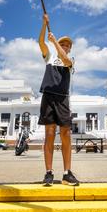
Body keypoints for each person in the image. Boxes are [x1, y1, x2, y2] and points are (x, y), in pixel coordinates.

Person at [38, 14, 79, 187]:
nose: (65, 46)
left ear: (69, 48)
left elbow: (66, 59)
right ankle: (48, 172)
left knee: (65, 134)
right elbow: (41, 43)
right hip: (48, 95)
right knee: (49, 134)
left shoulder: (70, 60)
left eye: (67, 45)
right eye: (63, 43)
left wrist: (55, 42)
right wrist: (44, 25)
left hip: (62, 99)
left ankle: (67, 173)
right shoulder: (49, 57)